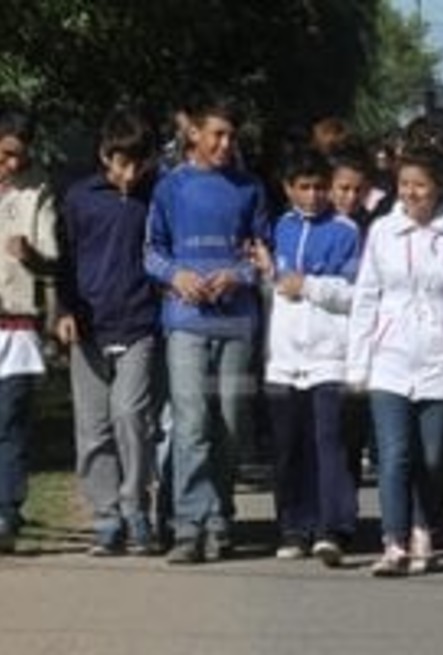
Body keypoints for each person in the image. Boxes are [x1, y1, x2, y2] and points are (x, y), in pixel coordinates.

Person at [144, 95, 267, 564]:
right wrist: (176, 275)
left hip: (237, 322)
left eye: (231, 136)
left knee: (231, 425)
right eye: (216, 133)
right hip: (186, 322)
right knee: (191, 422)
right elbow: (151, 251)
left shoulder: (250, 187)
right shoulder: (170, 188)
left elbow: (264, 255)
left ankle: (222, 518)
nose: (224, 143)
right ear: (193, 132)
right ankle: (189, 524)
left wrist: (237, 274)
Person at [345, 146, 443, 577]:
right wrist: (358, 362)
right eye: (404, 185)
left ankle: (423, 525)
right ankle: (394, 539)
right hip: (391, 359)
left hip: (442, 358)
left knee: (433, 458)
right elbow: (366, 297)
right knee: (396, 454)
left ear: (438, 186)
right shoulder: (383, 231)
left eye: (420, 185)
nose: (411, 194)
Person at [56, 109, 161, 556]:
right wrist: (63, 309)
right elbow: (64, 261)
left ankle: (136, 506)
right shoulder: (79, 199)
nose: (131, 173)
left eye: (140, 164)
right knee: (93, 428)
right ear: (105, 156)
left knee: (130, 415)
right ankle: (106, 517)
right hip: (88, 328)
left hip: (139, 324)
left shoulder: (154, 197)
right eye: (123, 163)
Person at [251, 148, 360, 567]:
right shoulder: (279, 228)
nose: (313, 196)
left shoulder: (346, 230)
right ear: (288, 189)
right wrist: (269, 276)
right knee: (289, 446)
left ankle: (330, 527)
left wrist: (310, 286)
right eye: (304, 188)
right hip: (284, 357)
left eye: (319, 187)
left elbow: (355, 294)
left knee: (327, 444)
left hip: (328, 356)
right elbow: (274, 289)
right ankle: (293, 526)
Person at [0, 108, 60, 553]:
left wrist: (31, 255)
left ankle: (7, 508)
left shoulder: (38, 189)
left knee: (11, 419)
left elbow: (52, 260)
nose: (13, 165)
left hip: (17, 320)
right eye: (5, 155)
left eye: (21, 156)